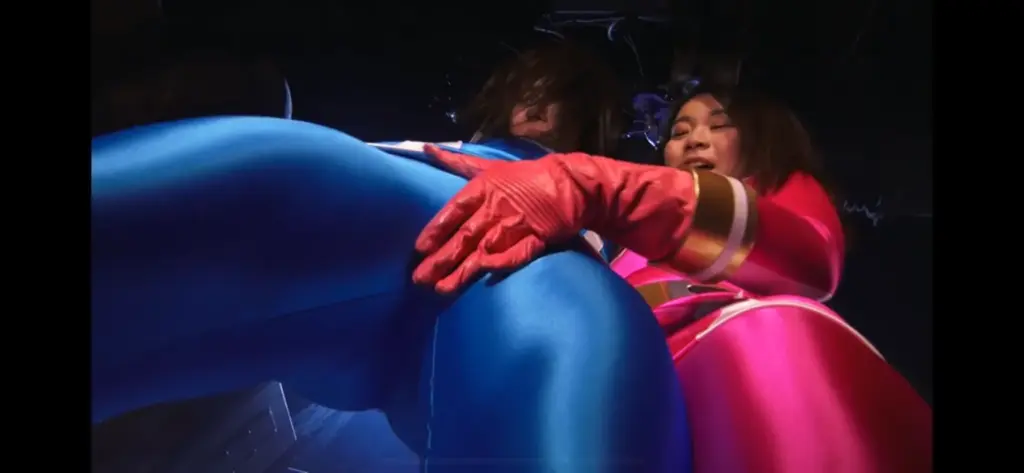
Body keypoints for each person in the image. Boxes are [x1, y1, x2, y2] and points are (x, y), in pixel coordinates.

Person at [91, 41, 692, 473]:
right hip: (394, 253)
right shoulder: (404, 163)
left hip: (536, 298)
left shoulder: (593, 234)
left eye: (557, 97)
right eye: (529, 89)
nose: (537, 103)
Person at [415, 82, 933, 472]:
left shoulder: (776, 189)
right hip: (627, 384)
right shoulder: (619, 242)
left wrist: (605, 188)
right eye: (679, 132)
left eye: (718, 125)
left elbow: (811, 259)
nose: (693, 140)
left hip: (748, 366)